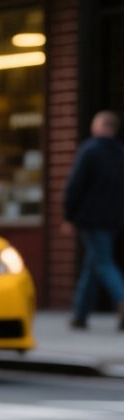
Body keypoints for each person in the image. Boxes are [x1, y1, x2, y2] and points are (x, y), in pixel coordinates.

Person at [63, 110, 124, 331]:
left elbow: (74, 185)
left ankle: (121, 300)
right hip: (114, 218)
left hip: (91, 217)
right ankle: (80, 315)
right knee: (93, 264)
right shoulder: (119, 152)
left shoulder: (90, 149)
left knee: (104, 262)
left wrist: (69, 215)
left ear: (100, 126)